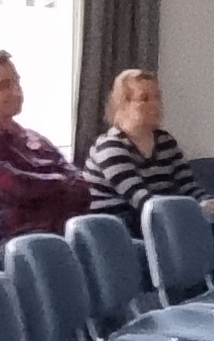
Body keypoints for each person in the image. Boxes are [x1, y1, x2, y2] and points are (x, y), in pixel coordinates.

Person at [0, 49, 92, 255]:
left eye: (17, 82)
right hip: (12, 246)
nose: (16, 91)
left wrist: (51, 188)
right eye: (4, 85)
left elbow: (82, 186)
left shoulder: (34, 139)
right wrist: (60, 184)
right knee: (46, 248)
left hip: (59, 236)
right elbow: (13, 186)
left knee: (102, 234)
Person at [79, 68, 200, 226]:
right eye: (145, 98)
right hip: (118, 228)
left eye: (157, 97)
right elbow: (140, 199)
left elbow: (188, 187)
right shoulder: (110, 147)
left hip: (158, 221)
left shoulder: (165, 141)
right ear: (124, 105)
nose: (156, 104)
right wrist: (191, 210)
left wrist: (211, 204)